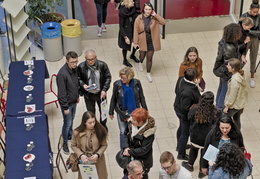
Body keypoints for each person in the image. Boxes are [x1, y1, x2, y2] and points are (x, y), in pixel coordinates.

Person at [182, 91, 221, 178]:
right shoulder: (215, 113)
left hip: (195, 137)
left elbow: (189, 118)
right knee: (204, 154)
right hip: (207, 139)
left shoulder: (194, 109)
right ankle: (201, 171)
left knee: (193, 150)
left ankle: (190, 165)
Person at [109, 67, 148, 149]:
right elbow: (114, 98)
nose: (122, 79)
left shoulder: (137, 83)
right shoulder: (117, 85)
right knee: (123, 131)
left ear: (130, 77)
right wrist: (111, 111)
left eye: (124, 78)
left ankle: (133, 147)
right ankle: (123, 149)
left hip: (135, 113)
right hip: (122, 112)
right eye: (121, 77)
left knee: (134, 130)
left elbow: (141, 97)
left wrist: (145, 110)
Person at [78, 49, 112, 131]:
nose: (90, 61)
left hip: (101, 94)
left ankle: (103, 126)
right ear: (85, 58)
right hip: (88, 95)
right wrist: (83, 85)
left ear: (96, 57)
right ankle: (93, 126)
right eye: (88, 60)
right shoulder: (81, 67)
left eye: (92, 59)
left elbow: (108, 77)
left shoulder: (102, 65)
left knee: (103, 112)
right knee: (91, 113)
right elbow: (78, 78)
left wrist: (104, 89)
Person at [133, 2, 166, 82]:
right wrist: (135, 42)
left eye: (149, 9)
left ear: (152, 10)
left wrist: (155, 15)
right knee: (142, 55)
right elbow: (136, 30)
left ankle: (148, 73)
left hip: (152, 40)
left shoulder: (154, 18)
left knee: (150, 57)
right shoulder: (139, 18)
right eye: (146, 9)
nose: (148, 11)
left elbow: (163, 22)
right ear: (143, 9)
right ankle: (140, 63)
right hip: (142, 40)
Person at [213, 23, 242, 110]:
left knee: (221, 87)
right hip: (227, 72)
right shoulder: (230, 48)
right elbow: (229, 64)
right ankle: (220, 108)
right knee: (225, 90)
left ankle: (217, 105)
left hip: (221, 69)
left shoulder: (224, 41)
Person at [173, 68, 201, 160]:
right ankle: (181, 153)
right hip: (184, 114)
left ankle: (179, 146)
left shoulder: (181, 79)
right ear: (194, 78)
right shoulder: (188, 92)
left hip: (177, 107)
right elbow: (185, 108)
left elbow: (176, 91)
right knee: (185, 133)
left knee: (181, 128)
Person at [71, 111, 108, 179]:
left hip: (98, 160)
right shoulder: (77, 132)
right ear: (84, 123)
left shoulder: (100, 130)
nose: (92, 124)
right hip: (84, 161)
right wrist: (81, 155)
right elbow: (73, 145)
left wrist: (98, 154)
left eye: (94, 122)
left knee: (100, 176)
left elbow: (104, 145)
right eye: (90, 123)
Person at [122, 108, 156, 179]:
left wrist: (130, 151)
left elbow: (144, 149)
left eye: (134, 120)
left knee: (141, 176)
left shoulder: (149, 133)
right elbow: (125, 134)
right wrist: (125, 147)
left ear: (141, 122)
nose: (131, 120)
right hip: (130, 158)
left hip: (142, 161)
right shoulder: (131, 125)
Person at [57, 51, 79, 154]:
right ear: (67, 61)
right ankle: (65, 142)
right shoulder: (62, 74)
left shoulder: (74, 69)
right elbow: (61, 93)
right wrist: (65, 107)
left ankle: (70, 134)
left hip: (73, 101)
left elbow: (75, 84)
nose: (75, 64)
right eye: (72, 62)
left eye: (76, 61)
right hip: (67, 104)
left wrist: (77, 96)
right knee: (67, 123)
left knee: (72, 120)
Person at [224, 58, 248, 130]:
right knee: (237, 120)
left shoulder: (234, 80)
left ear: (233, 69)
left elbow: (232, 95)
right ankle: (238, 134)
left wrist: (227, 106)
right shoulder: (241, 76)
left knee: (224, 118)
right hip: (239, 104)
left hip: (233, 105)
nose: (227, 66)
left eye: (228, 66)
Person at [241, 0, 260, 88]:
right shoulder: (244, 16)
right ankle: (238, 73)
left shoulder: (259, 17)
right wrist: (251, 32)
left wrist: (250, 31)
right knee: (242, 56)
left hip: (255, 40)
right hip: (245, 39)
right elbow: (241, 29)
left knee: (254, 57)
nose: (255, 14)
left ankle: (252, 77)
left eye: (257, 12)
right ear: (250, 9)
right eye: (253, 12)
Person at [118, 0, 140, 67]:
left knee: (136, 43)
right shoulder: (122, 13)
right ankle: (125, 60)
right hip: (126, 31)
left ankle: (132, 55)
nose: (134, 2)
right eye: (132, 2)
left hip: (134, 30)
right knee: (125, 47)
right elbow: (121, 26)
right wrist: (125, 37)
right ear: (127, 3)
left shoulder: (133, 10)